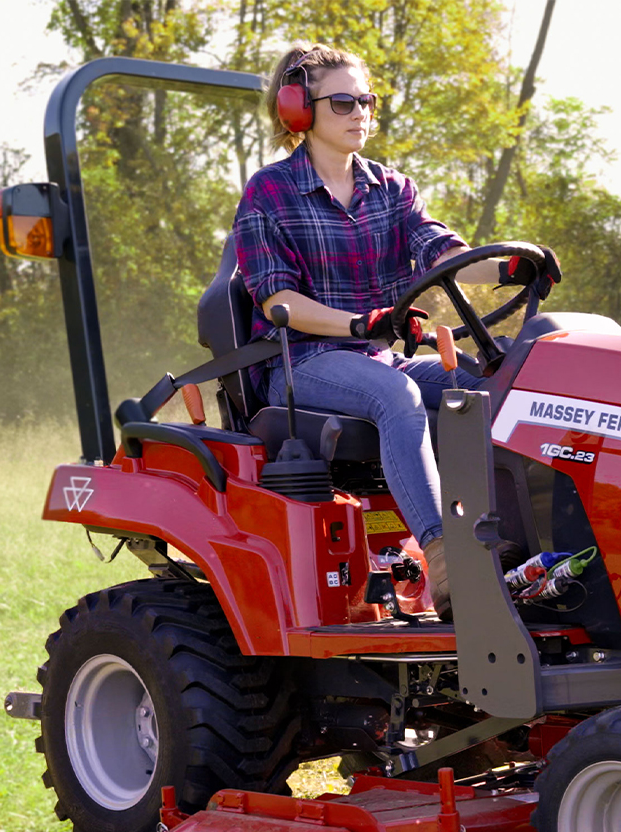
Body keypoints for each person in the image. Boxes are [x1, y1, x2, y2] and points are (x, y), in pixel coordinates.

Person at [232, 42, 561, 620]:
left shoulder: (392, 188)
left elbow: (445, 254)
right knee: (398, 395)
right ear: (299, 111)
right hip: (302, 363)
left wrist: (514, 267)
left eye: (367, 100)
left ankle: (523, 544)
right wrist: (363, 322)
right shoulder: (270, 192)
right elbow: (278, 301)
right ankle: (444, 557)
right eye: (342, 102)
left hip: (377, 358)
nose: (360, 111)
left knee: (502, 380)